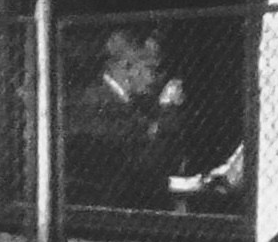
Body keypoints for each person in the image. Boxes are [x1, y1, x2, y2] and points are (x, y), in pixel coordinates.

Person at [61, 28, 191, 209]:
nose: (159, 78)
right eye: (152, 68)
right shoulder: (99, 104)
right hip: (109, 208)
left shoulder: (131, 104)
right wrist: (168, 110)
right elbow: (147, 165)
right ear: (126, 66)